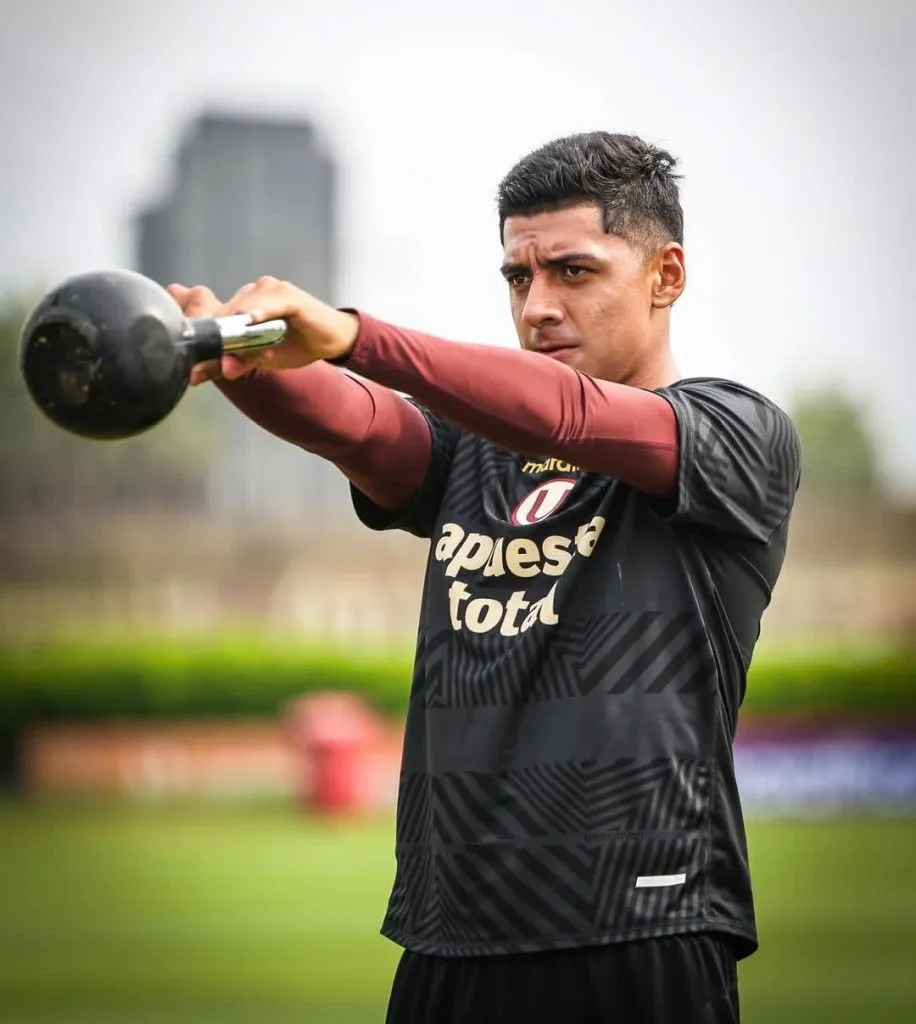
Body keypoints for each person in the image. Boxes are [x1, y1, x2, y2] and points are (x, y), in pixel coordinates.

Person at [169, 131, 801, 1024]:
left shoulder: (736, 436)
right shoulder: (479, 449)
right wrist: (225, 353)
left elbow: (569, 416)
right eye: (518, 278)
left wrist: (352, 334)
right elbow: (355, 424)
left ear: (666, 276)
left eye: (573, 273)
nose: (537, 306)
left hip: (640, 925)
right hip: (450, 934)